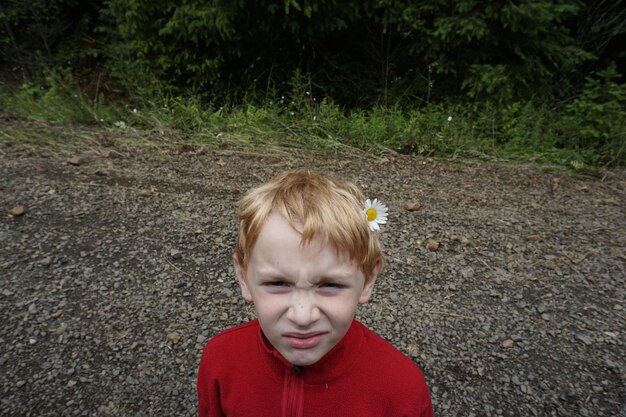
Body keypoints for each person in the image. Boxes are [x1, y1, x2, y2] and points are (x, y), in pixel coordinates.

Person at [197, 169, 434, 417]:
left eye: (330, 285)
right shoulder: (220, 362)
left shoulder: (402, 390)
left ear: (368, 280)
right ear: (243, 276)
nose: (303, 316)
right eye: (277, 283)